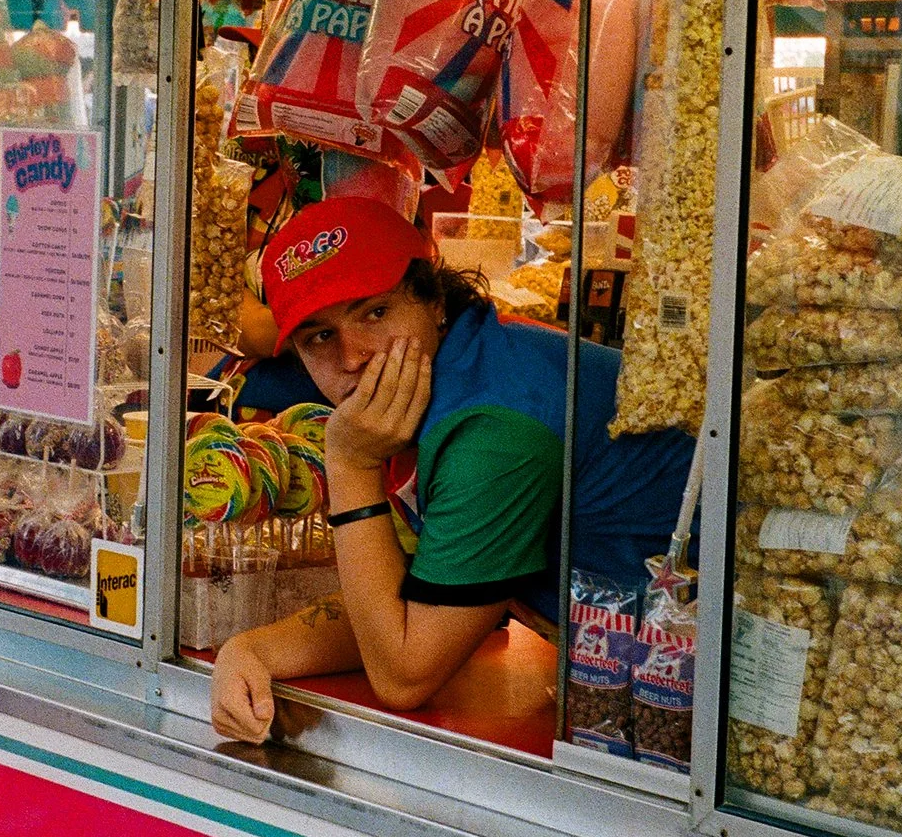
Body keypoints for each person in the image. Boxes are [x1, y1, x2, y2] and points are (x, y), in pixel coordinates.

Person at [210, 196, 694, 742]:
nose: (354, 356)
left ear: (433, 300)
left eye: (375, 312)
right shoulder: (462, 364)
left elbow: (405, 672)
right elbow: (420, 599)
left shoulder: (490, 428)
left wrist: (349, 463)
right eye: (320, 337)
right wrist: (252, 649)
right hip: (652, 686)